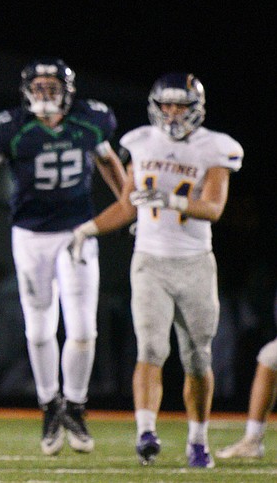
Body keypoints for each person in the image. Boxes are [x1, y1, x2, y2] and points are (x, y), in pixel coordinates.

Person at [0, 59, 128, 455]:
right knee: (39, 329)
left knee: (84, 328)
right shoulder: (12, 127)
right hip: (30, 236)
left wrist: (128, 206)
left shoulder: (90, 121)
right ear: (26, 91)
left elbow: (110, 162)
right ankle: (48, 405)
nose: (44, 93)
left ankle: (74, 405)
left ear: (67, 90)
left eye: (50, 85)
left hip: (78, 233)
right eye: (37, 86)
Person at [69, 72, 243, 468]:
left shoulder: (215, 147)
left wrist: (170, 200)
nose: (172, 112)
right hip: (149, 260)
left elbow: (214, 208)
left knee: (197, 357)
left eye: (180, 105)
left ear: (195, 108)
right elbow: (129, 204)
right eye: (166, 104)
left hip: (195, 263)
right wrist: (87, 229)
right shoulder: (141, 141)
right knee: (150, 348)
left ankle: (198, 440)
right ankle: (145, 432)